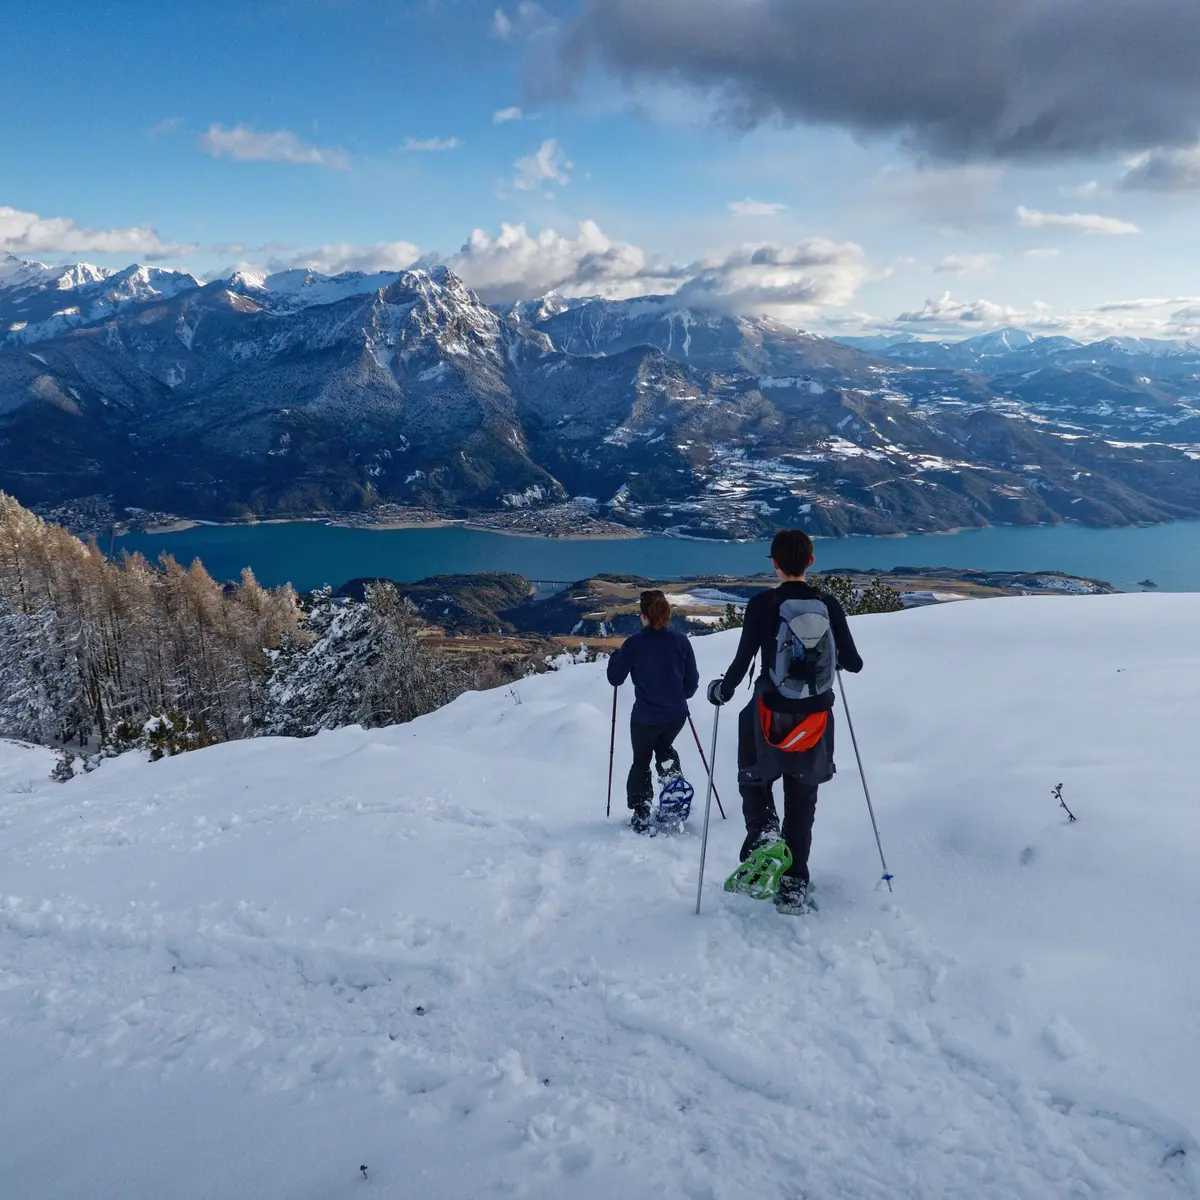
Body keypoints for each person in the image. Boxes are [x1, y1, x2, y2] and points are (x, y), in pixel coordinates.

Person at [706, 529, 863, 912]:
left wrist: (720, 691)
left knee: (754, 779)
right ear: (810, 562)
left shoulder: (762, 604)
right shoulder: (828, 605)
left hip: (768, 716)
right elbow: (855, 663)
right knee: (803, 798)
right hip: (815, 720)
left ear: (774, 564)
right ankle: (794, 885)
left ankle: (764, 836)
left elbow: (742, 662)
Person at [606, 590, 700, 833]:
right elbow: (691, 685)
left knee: (641, 760)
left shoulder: (635, 643)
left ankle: (641, 810)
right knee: (664, 748)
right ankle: (673, 787)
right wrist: (675, 696)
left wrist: (615, 658)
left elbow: (615, 678)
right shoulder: (681, 642)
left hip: (645, 717)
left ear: (643, 615)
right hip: (676, 715)